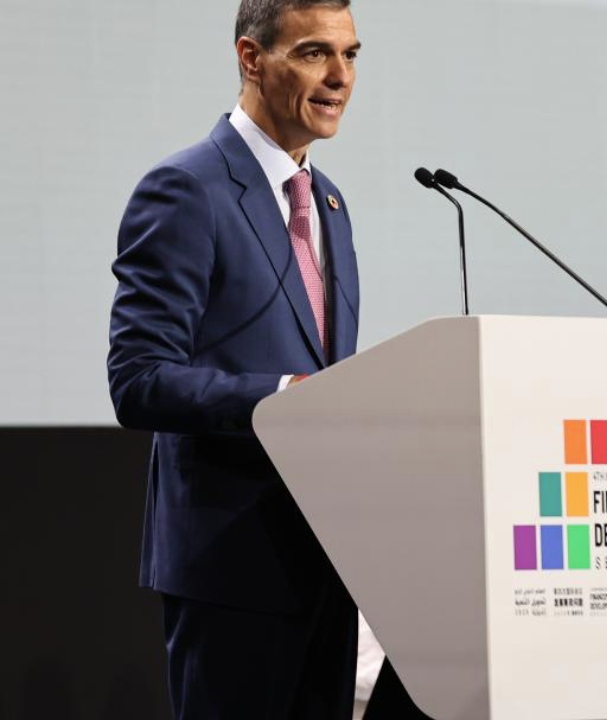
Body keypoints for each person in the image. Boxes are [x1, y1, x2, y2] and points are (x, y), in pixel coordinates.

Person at [107, 1, 363, 716]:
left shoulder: (331, 202)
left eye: (351, 55)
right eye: (315, 53)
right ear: (252, 59)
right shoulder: (188, 189)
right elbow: (138, 380)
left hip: (330, 559)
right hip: (233, 566)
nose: (340, 76)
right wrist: (286, 394)